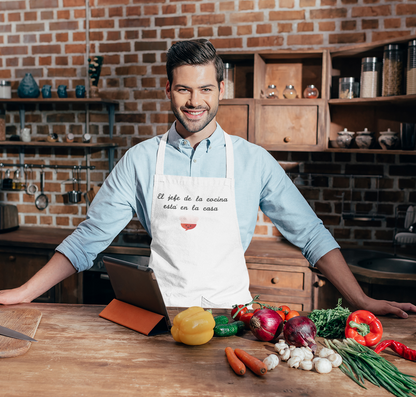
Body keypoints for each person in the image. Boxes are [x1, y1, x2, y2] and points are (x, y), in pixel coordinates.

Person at [0, 39, 415, 317]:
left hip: (232, 317)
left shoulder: (253, 161)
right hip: (158, 317)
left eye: (205, 89)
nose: (195, 102)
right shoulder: (140, 160)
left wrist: (359, 298)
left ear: (221, 89)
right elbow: (89, 238)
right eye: (183, 90)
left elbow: (311, 234)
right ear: (168, 90)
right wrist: (23, 293)